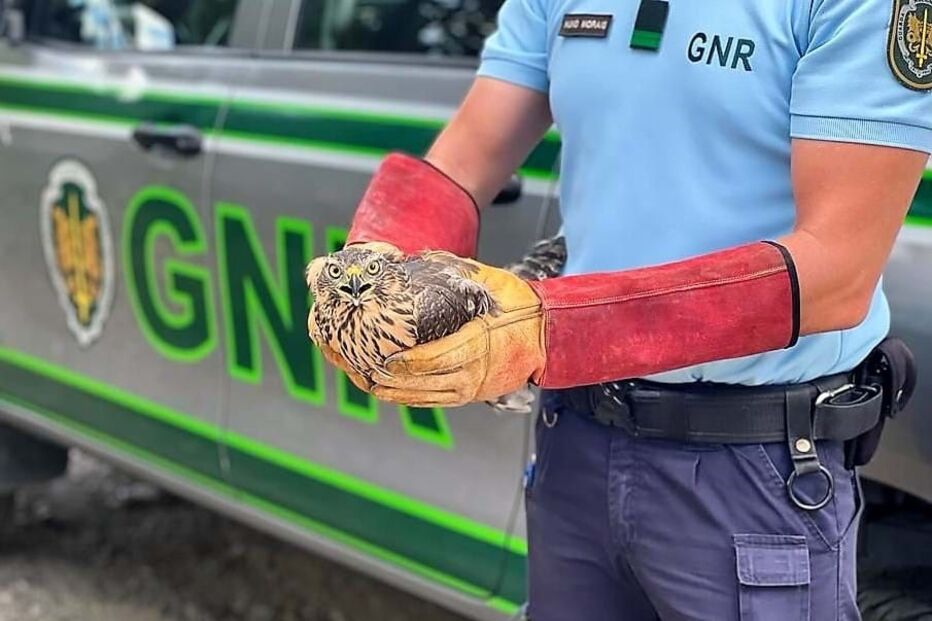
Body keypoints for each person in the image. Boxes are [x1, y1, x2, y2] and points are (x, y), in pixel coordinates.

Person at [311, 0, 932, 617]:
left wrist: (546, 331)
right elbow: (463, 159)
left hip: (751, 464)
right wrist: (375, 265)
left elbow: (837, 272)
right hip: (575, 442)